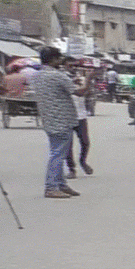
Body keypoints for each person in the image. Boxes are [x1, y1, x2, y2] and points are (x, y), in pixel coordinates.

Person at [32, 47, 82, 199]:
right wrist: (91, 79)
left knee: (58, 152)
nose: (61, 61)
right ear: (53, 59)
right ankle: (51, 186)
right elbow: (79, 92)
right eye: (59, 58)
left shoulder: (38, 75)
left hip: (49, 119)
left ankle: (60, 184)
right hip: (61, 120)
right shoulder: (56, 75)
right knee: (57, 155)